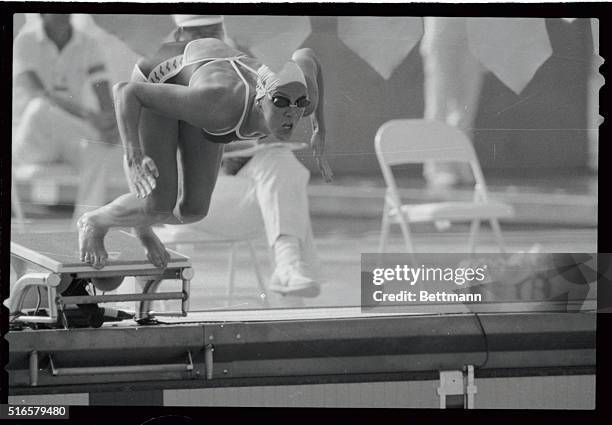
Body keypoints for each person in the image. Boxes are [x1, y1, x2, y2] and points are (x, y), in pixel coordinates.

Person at [77, 15, 332, 298]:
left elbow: (308, 56)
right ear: (261, 98)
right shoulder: (218, 105)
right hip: (157, 78)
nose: (291, 113)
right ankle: (95, 220)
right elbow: (126, 92)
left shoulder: (299, 97)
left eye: (300, 105)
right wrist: (134, 156)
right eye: (281, 103)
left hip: (204, 80)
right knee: (159, 205)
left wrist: (320, 127)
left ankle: (142, 222)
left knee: (193, 210)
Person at [162, 15, 323, 296]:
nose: (209, 38)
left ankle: (288, 268)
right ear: (178, 36)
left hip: (240, 192)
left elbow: (306, 59)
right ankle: (290, 268)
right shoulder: (166, 74)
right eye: (197, 32)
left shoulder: (240, 65)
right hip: (190, 199)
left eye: (215, 29)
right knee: (288, 187)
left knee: (281, 164)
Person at [12, 14, 120, 219]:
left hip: (67, 138)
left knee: (96, 145)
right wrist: (90, 117)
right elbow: (37, 92)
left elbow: (103, 91)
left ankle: (87, 224)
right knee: (40, 107)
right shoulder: (24, 41)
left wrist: (111, 123)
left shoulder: (89, 43)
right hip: (31, 142)